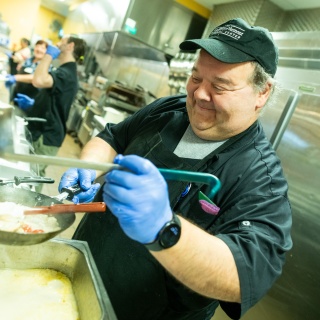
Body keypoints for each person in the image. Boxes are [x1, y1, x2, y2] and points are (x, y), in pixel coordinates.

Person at [58, 18, 292, 320]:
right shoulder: (168, 109)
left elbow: (244, 277)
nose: (199, 95)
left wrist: (163, 228)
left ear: (263, 92)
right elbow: (113, 137)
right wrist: (88, 168)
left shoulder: (261, 179)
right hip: (76, 280)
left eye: (220, 86)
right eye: (196, 78)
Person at [13, 35, 86, 182]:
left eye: (62, 42)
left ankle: (31, 205)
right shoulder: (65, 71)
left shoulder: (67, 74)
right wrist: (34, 105)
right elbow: (55, 100)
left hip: (46, 135)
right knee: (27, 173)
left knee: (31, 179)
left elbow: (38, 80)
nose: (58, 45)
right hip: (42, 130)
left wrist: (48, 55)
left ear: (70, 46)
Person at [5, 39, 50, 105]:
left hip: (29, 100)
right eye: (37, 46)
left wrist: (15, 77)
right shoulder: (29, 60)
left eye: (42, 48)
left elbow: (36, 78)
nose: (39, 49)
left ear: (47, 51)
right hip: (17, 96)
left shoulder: (45, 65)